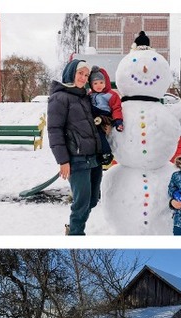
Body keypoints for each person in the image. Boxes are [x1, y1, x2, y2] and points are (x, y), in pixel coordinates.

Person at [48, 59, 103, 235]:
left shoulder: (84, 98)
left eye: (86, 75)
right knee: (81, 203)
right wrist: (63, 160)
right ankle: (75, 235)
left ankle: (72, 229)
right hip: (77, 159)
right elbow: (54, 130)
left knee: (93, 200)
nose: (83, 77)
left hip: (93, 158)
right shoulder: (59, 97)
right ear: (71, 72)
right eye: (80, 73)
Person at [87, 67, 123, 167]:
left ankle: (106, 153)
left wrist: (118, 120)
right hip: (93, 116)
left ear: (105, 82)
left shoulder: (111, 95)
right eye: (95, 83)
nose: (99, 86)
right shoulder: (89, 95)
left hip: (104, 115)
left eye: (101, 82)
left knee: (100, 133)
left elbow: (116, 108)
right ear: (91, 84)